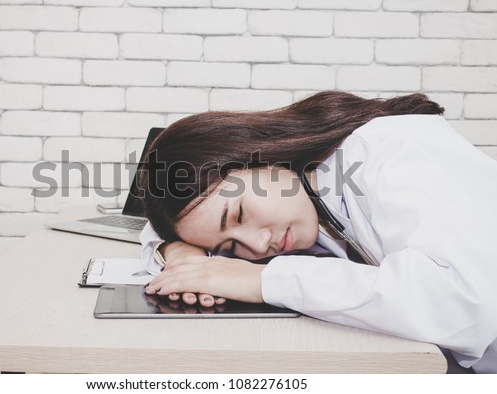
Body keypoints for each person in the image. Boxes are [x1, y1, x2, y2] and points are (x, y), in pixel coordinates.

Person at [136, 91, 497, 373]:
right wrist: (181, 253)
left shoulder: (392, 152)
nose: (259, 246)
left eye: (240, 214)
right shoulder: (311, 193)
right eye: (231, 244)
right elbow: (156, 228)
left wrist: (263, 281)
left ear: (254, 154)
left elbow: (463, 302)